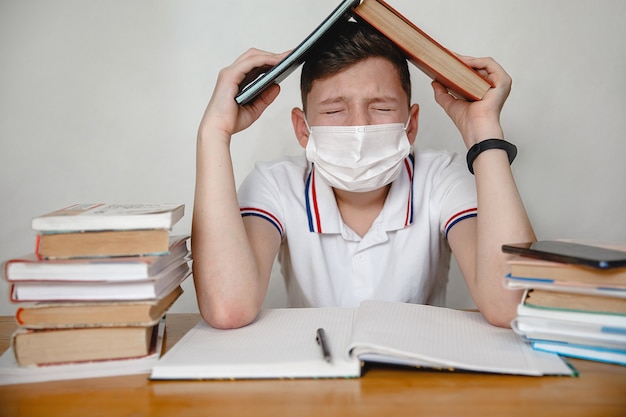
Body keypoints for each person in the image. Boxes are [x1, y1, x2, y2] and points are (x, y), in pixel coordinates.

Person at [192, 21, 536, 330]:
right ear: (303, 128)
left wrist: (485, 132)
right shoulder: (276, 185)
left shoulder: (440, 178)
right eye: (334, 110)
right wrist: (214, 133)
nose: (359, 126)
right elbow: (228, 308)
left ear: (411, 124)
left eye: (381, 107)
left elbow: (510, 304)